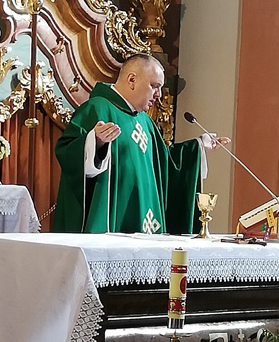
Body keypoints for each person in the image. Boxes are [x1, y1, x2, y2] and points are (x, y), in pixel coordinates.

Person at [53, 54, 228, 234]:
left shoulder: (146, 122)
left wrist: (198, 147)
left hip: (146, 224)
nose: (159, 95)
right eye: (154, 86)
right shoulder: (97, 109)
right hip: (112, 226)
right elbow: (67, 153)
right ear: (132, 80)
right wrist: (94, 142)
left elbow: (165, 164)